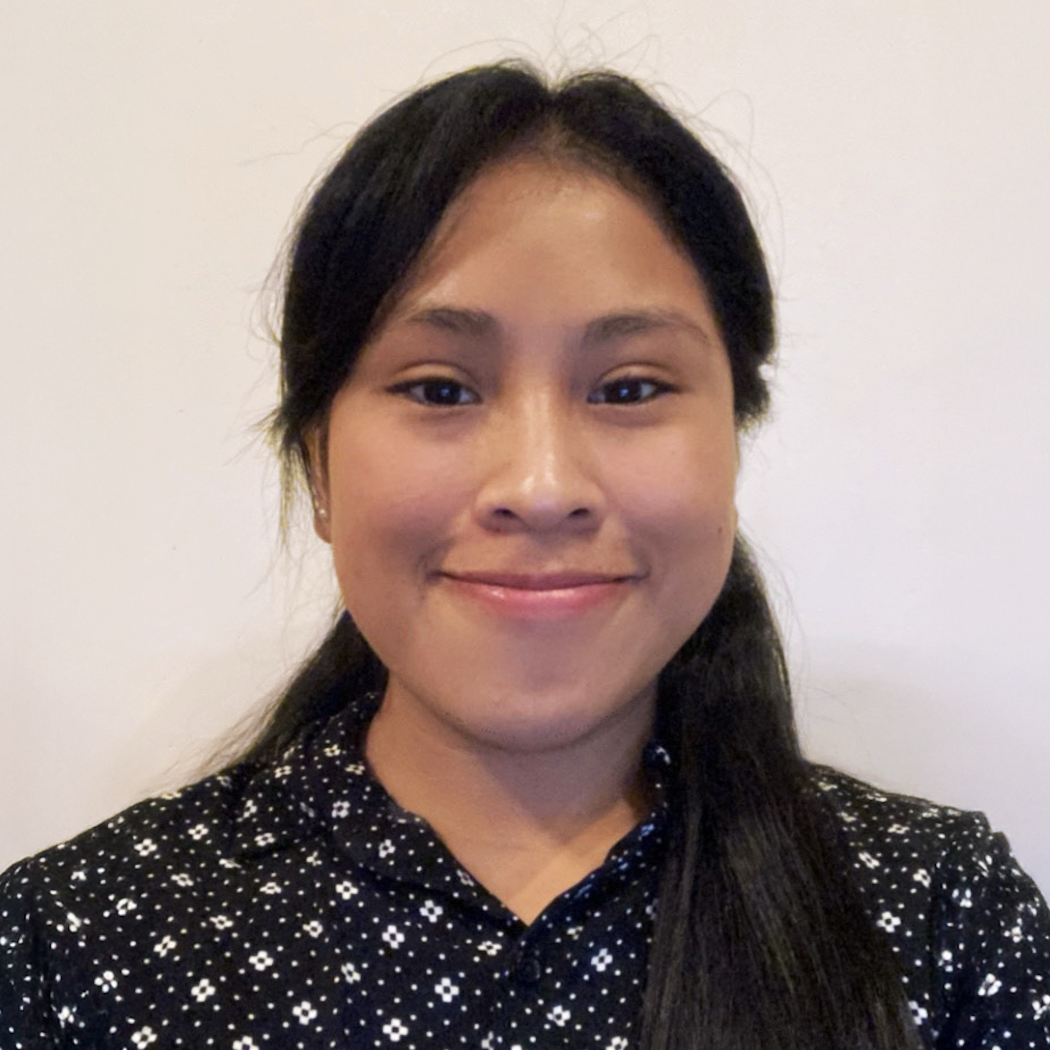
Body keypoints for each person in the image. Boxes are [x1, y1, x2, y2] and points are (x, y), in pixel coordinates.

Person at [1, 62, 1047, 1050]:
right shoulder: (76, 948)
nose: (542, 487)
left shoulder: (940, 920)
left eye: (630, 388)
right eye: (439, 388)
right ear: (317, 462)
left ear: (733, 445)